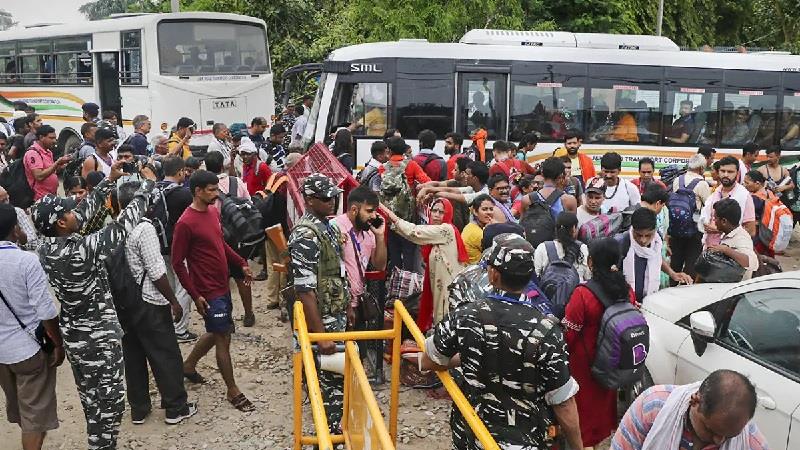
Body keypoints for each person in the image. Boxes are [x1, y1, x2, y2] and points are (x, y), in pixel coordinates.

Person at [416, 233, 583, 450]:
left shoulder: (466, 316)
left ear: (493, 274)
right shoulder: (548, 331)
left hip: (472, 433)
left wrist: (468, 355)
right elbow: (564, 402)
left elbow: (430, 360)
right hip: (525, 440)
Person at [32, 162, 155, 450]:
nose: (74, 210)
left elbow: (82, 214)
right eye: (68, 210)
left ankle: (97, 443)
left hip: (76, 337)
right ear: (61, 223)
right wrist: (146, 187)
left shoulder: (47, 246)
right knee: (110, 404)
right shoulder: (82, 251)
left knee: (91, 401)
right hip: (98, 338)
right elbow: (124, 224)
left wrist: (107, 182)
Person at [172, 170, 256, 412]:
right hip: (207, 290)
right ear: (198, 191)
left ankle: (188, 366)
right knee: (223, 336)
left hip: (222, 284)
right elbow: (178, 263)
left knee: (219, 328)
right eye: (211, 190)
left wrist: (241, 262)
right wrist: (194, 294)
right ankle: (233, 390)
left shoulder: (212, 212)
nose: (216, 193)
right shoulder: (185, 223)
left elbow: (220, 243)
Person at [116, 182, 198, 425]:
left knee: (132, 355)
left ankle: (139, 409)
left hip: (123, 301)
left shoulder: (114, 226)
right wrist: (173, 301)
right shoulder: (144, 229)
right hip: (149, 300)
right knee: (165, 354)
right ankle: (176, 408)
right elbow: (155, 270)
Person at [288, 173, 351, 433]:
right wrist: (320, 335)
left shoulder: (326, 227)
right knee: (330, 384)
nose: (332, 202)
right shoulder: (306, 234)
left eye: (334, 197)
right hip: (323, 321)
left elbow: (337, 273)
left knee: (337, 382)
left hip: (334, 315)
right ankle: (329, 435)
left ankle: (333, 431)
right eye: (326, 198)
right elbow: (305, 290)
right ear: (310, 200)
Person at [0, 203, 64, 450]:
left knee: (22, 408)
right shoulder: (26, 261)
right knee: (35, 418)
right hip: (28, 349)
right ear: (15, 229)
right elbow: (46, 310)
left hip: (3, 354)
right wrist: (58, 343)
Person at [563, 237, 633, 449]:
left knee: (583, 413)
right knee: (601, 408)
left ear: (590, 262)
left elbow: (569, 335)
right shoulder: (626, 290)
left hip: (584, 366)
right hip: (610, 361)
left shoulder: (583, 294)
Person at [612, 369, 767, 450]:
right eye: (712, 431)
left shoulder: (750, 441)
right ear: (695, 401)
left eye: (730, 436)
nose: (720, 441)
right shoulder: (652, 406)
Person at [381, 198, 468, 331]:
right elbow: (414, 235)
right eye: (434, 211)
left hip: (448, 292)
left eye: (441, 212)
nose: (437, 215)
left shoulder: (446, 230)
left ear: (448, 214)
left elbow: (414, 232)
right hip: (440, 291)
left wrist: (388, 213)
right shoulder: (434, 234)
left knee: (446, 324)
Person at [204, 151, 257, 326]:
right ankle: (249, 314)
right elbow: (249, 203)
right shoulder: (236, 182)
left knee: (221, 280)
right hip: (238, 236)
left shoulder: (206, 188)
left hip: (216, 237)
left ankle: (225, 315)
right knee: (242, 275)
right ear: (222, 165)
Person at [155, 156, 198, 343]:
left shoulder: (154, 190)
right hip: (178, 246)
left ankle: (170, 324)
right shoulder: (183, 194)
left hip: (157, 245)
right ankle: (180, 330)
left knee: (170, 286)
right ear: (180, 171)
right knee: (184, 287)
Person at [332, 186, 387, 326]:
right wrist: (346, 304)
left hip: (359, 303)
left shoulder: (369, 232)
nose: (374, 216)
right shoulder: (335, 228)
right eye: (369, 211)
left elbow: (380, 265)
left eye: (375, 211)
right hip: (337, 305)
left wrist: (380, 237)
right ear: (354, 210)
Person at [379, 136, 431, 272]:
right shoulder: (411, 165)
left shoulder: (382, 168)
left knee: (394, 252)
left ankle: (395, 285)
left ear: (388, 151)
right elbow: (427, 182)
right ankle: (408, 285)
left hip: (389, 218)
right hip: (407, 218)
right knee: (409, 253)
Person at [620, 208, 692, 304]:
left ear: (655, 230)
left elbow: (657, 258)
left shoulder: (657, 241)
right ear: (633, 229)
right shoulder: (622, 243)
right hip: (626, 300)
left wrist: (672, 274)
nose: (643, 240)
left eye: (648, 235)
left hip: (649, 300)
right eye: (639, 235)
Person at [669, 154, 712, 282]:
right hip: (694, 229)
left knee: (675, 260)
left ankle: (672, 284)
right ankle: (687, 286)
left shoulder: (678, 180)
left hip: (675, 227)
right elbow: (708, 205)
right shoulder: (702, 184)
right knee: (691, 262)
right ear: (701, 168)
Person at [700, 156, 757, 247]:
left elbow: (751, 231)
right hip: (709, 248)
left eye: (730, 172)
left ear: (737, 174)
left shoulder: (744, 196)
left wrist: (721, 229)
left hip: (731, 250)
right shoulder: (715, 192)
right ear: (718, 172)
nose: (726, 175)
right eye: (723, 171)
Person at [706, 199, 759, 280]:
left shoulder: (741, 239)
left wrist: (726, 250)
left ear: (724, 221)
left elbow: (752, 263)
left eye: (715, 218)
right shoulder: (727, 233)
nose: (714, 220)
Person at [534, 211, 590, 281]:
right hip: (576, 290)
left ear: (556, 228)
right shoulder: (583, 248)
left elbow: (536, 274)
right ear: (573, 228)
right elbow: (588, 276)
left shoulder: (543, 247)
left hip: (548, 290)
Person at [23, 125, 71, 201]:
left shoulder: (48, 152)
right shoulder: (33, 153)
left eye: (55, 138)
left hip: (51, 196)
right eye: (51, 138)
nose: (54, 141)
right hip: (40, 198)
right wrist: (57, 163)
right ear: (41, 137)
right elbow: (39, 176)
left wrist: (61, 166)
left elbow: (50, 171)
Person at [0, 186, 41, 251]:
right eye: (3, 201)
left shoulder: (17, 212)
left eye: (7, 198)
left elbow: (34, 243)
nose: (7, 203)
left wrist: (20, 235)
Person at [461, 194, 495, 263]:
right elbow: (495, 252)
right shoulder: (477, 233)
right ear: (475, 212)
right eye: (484, 209)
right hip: (476, 270)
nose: (489, 212)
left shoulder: (471, 226)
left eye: (491, 209)